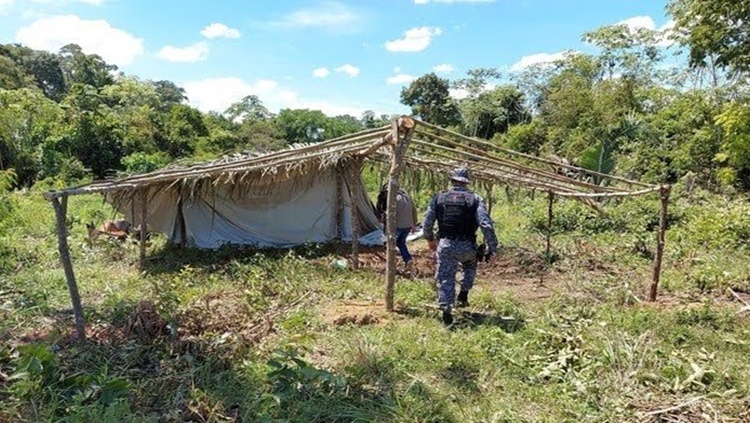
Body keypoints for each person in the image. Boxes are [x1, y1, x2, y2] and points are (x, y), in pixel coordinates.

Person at [422, 167, 499, 325]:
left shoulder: (439, 198)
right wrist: (493, 248)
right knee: (470, 265)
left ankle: (446, 312)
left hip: (446, 245)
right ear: (467, 183)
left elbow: (427, 222)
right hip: (467, 246)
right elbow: (486, 224)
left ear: (451, 180)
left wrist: (429, 239)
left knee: (445, 277)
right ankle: (463, 293)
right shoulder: (475, 199)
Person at [376, 183, 418, 270]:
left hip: (397, 225)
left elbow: (391, 213)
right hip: (407, 226)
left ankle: (391, 266)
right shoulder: (407, 197)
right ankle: (408, 259)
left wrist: (384, 218)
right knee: (401, 243)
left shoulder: (393, 198)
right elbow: (414, 211)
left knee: (389, 244)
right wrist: (413, 224)